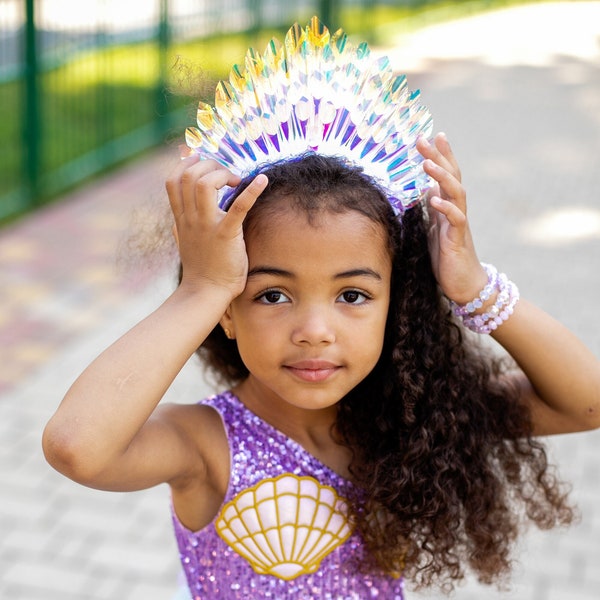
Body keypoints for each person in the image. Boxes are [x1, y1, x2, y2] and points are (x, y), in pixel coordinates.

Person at [43, 19, 600, 599]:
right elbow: (76, 446)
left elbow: (586, 401)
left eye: (353, 295)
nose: (313, 331)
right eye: (272, 294)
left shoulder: (414, 421)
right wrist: (199, 291)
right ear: (226, 312)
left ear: (397, 306)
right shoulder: (205, 445)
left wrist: (474, 288)